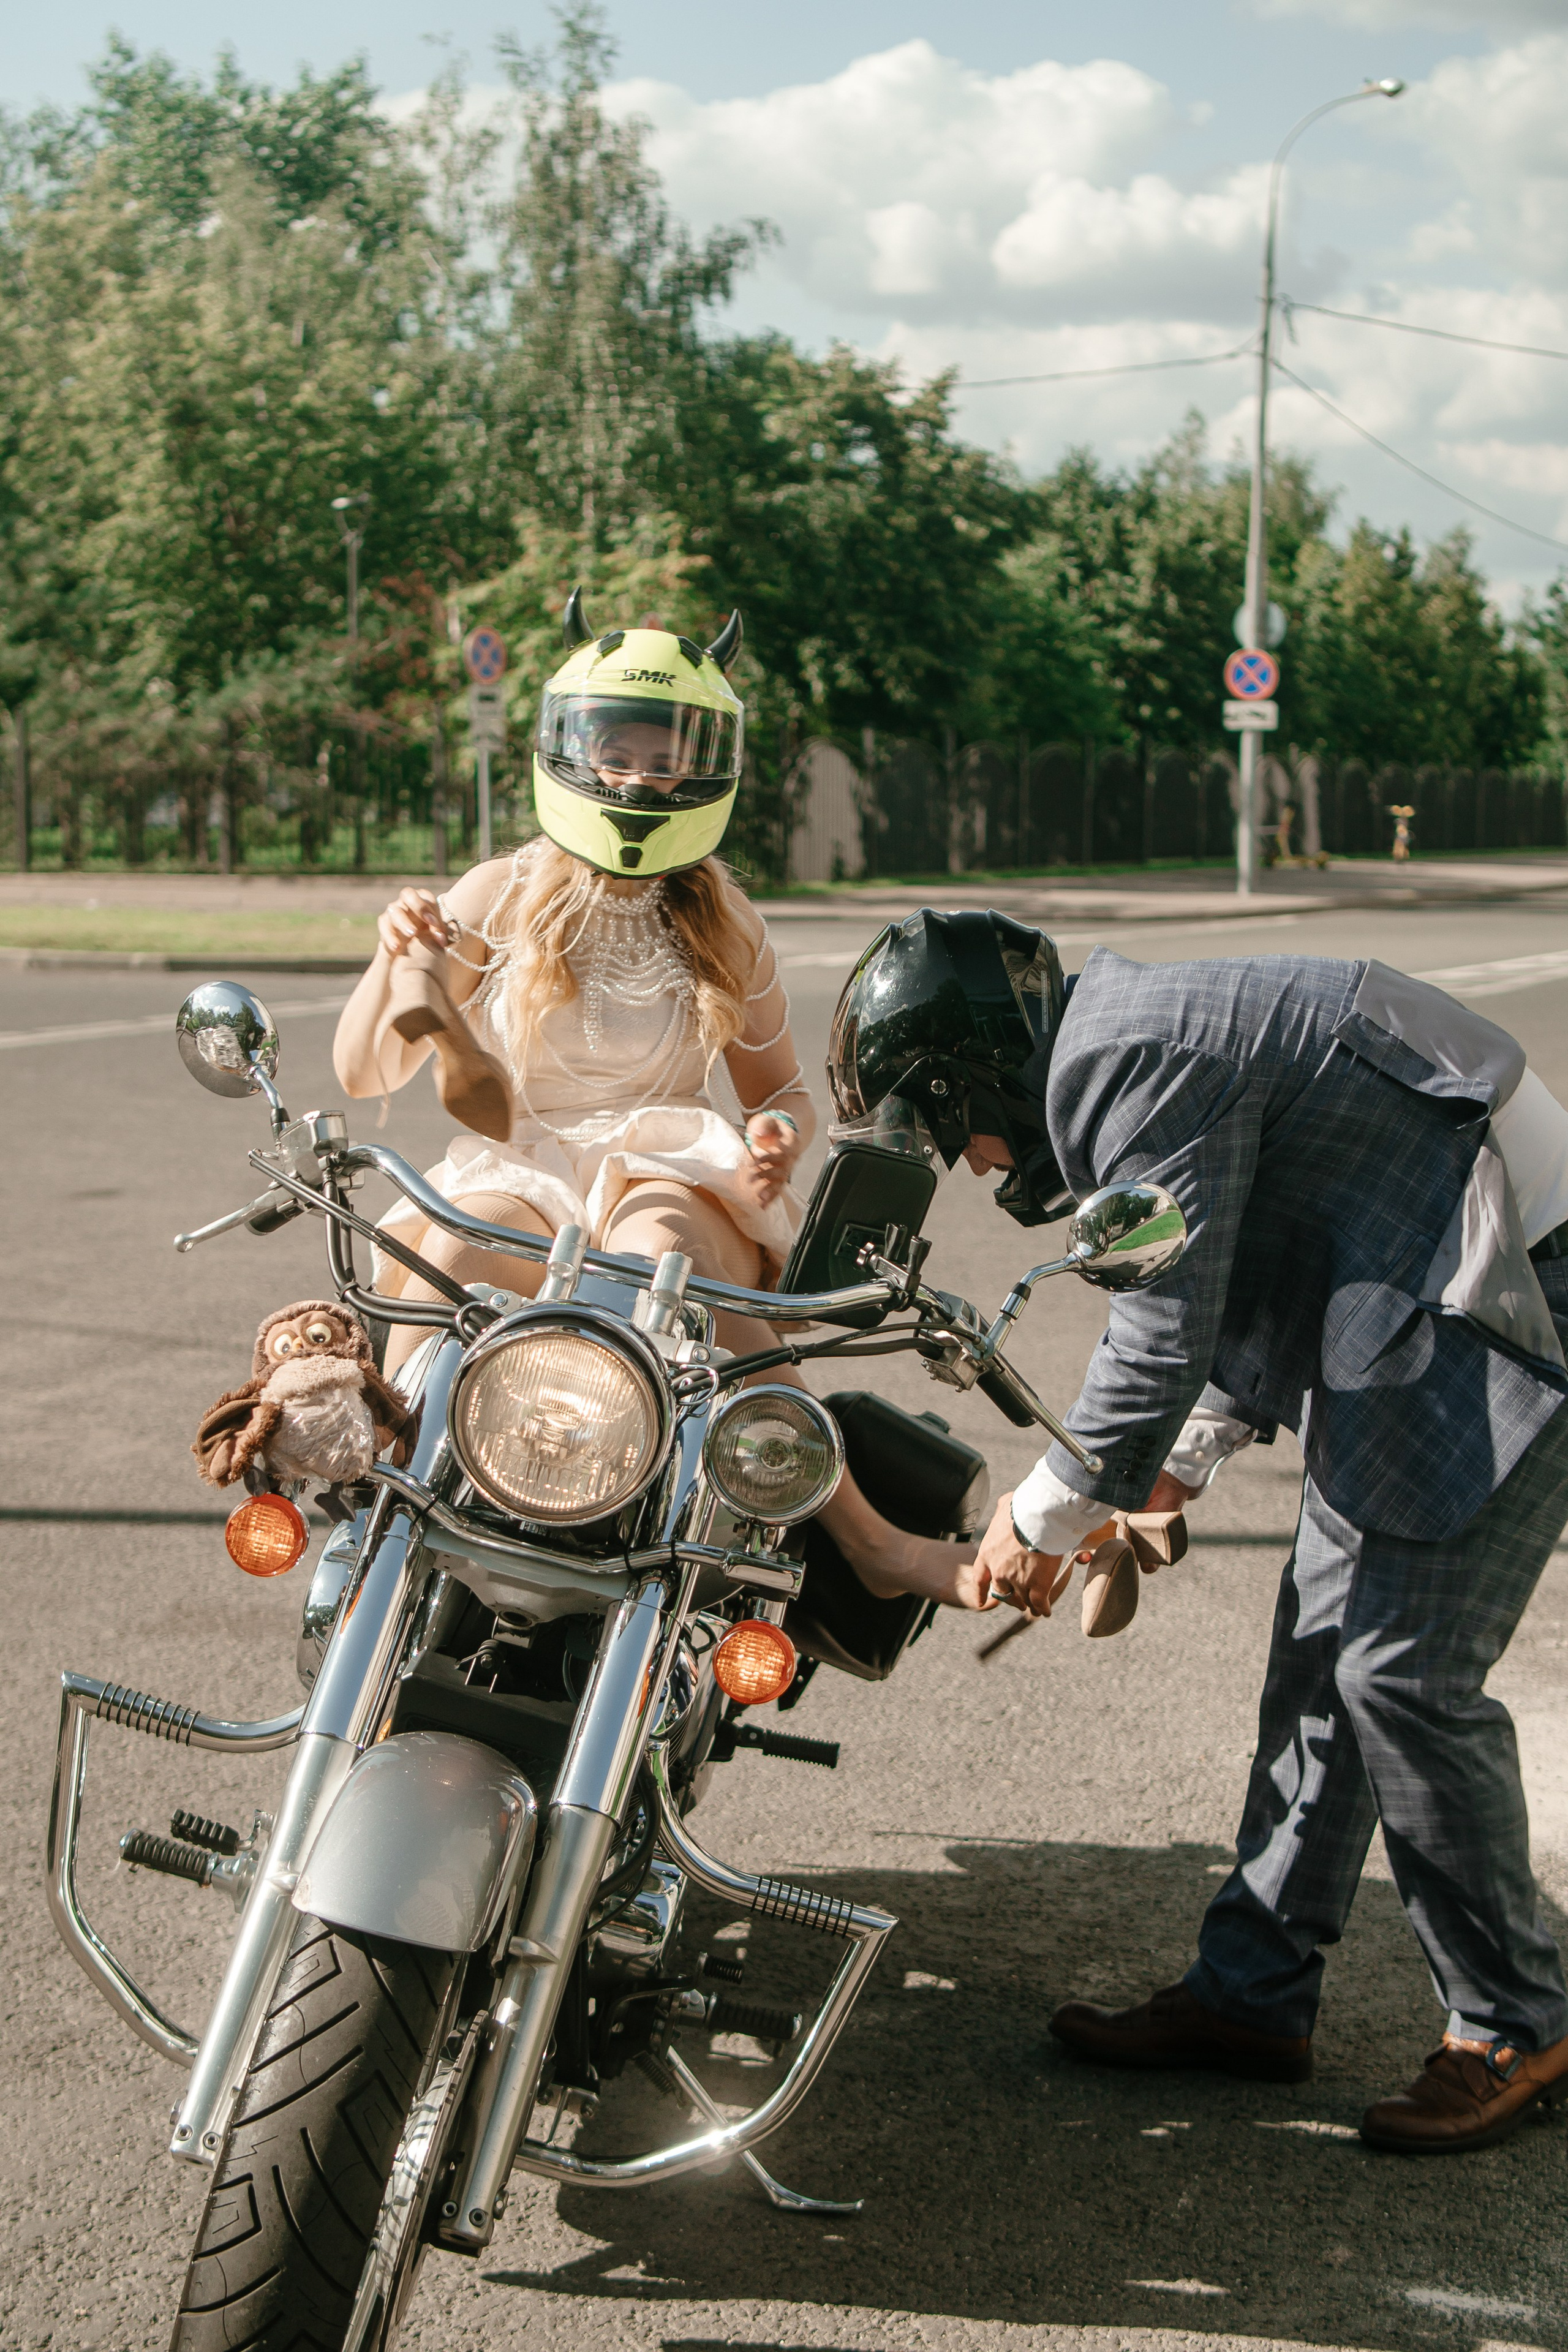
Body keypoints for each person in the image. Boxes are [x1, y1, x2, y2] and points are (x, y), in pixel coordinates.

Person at [827, 906, 1568, 2154]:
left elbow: (1160, 1329)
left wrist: (1041, 1518)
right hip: (1421, 1269)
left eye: (946, 1129)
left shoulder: (1121, 1062)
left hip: (1512, 1284)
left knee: (1400, 1672)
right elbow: (1240, 1258)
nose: (968, 1163)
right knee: (1323, 1646)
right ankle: (1251, 1996)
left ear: (970, 1076)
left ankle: (1515, 2019)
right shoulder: (1127, 1035)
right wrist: (1170, 1473)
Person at [332, 595, 981, 1608]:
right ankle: (390, 1494)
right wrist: (395, 963)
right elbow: (365, 1074)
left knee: (662, 1261)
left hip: (662, 1160)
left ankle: (868, 1541)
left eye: (665, 754)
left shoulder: (729, 917)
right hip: (523, 1160)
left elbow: (786, 1097)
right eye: (618, 748)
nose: (640, 773)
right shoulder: (494, 893)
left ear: (703, 765)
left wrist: (774, 1136)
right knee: (455, 1247)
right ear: (570, 746)